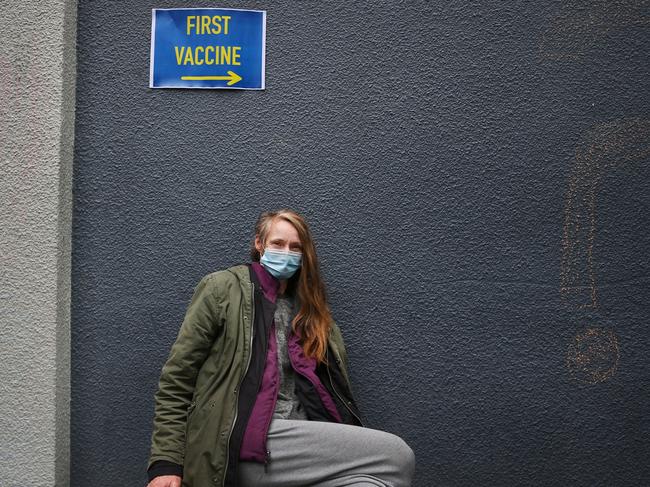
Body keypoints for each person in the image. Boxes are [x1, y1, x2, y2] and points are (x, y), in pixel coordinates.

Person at [146, 209, 415, 487]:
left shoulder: (312, 312)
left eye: (295, 247)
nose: (286, 252)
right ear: (259, 244)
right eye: (278, 243)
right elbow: (177, 380)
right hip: (244, 439)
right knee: (397, 456)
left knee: (371, 485)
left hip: (303, 438)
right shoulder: (222, 289)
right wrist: (165, 463)